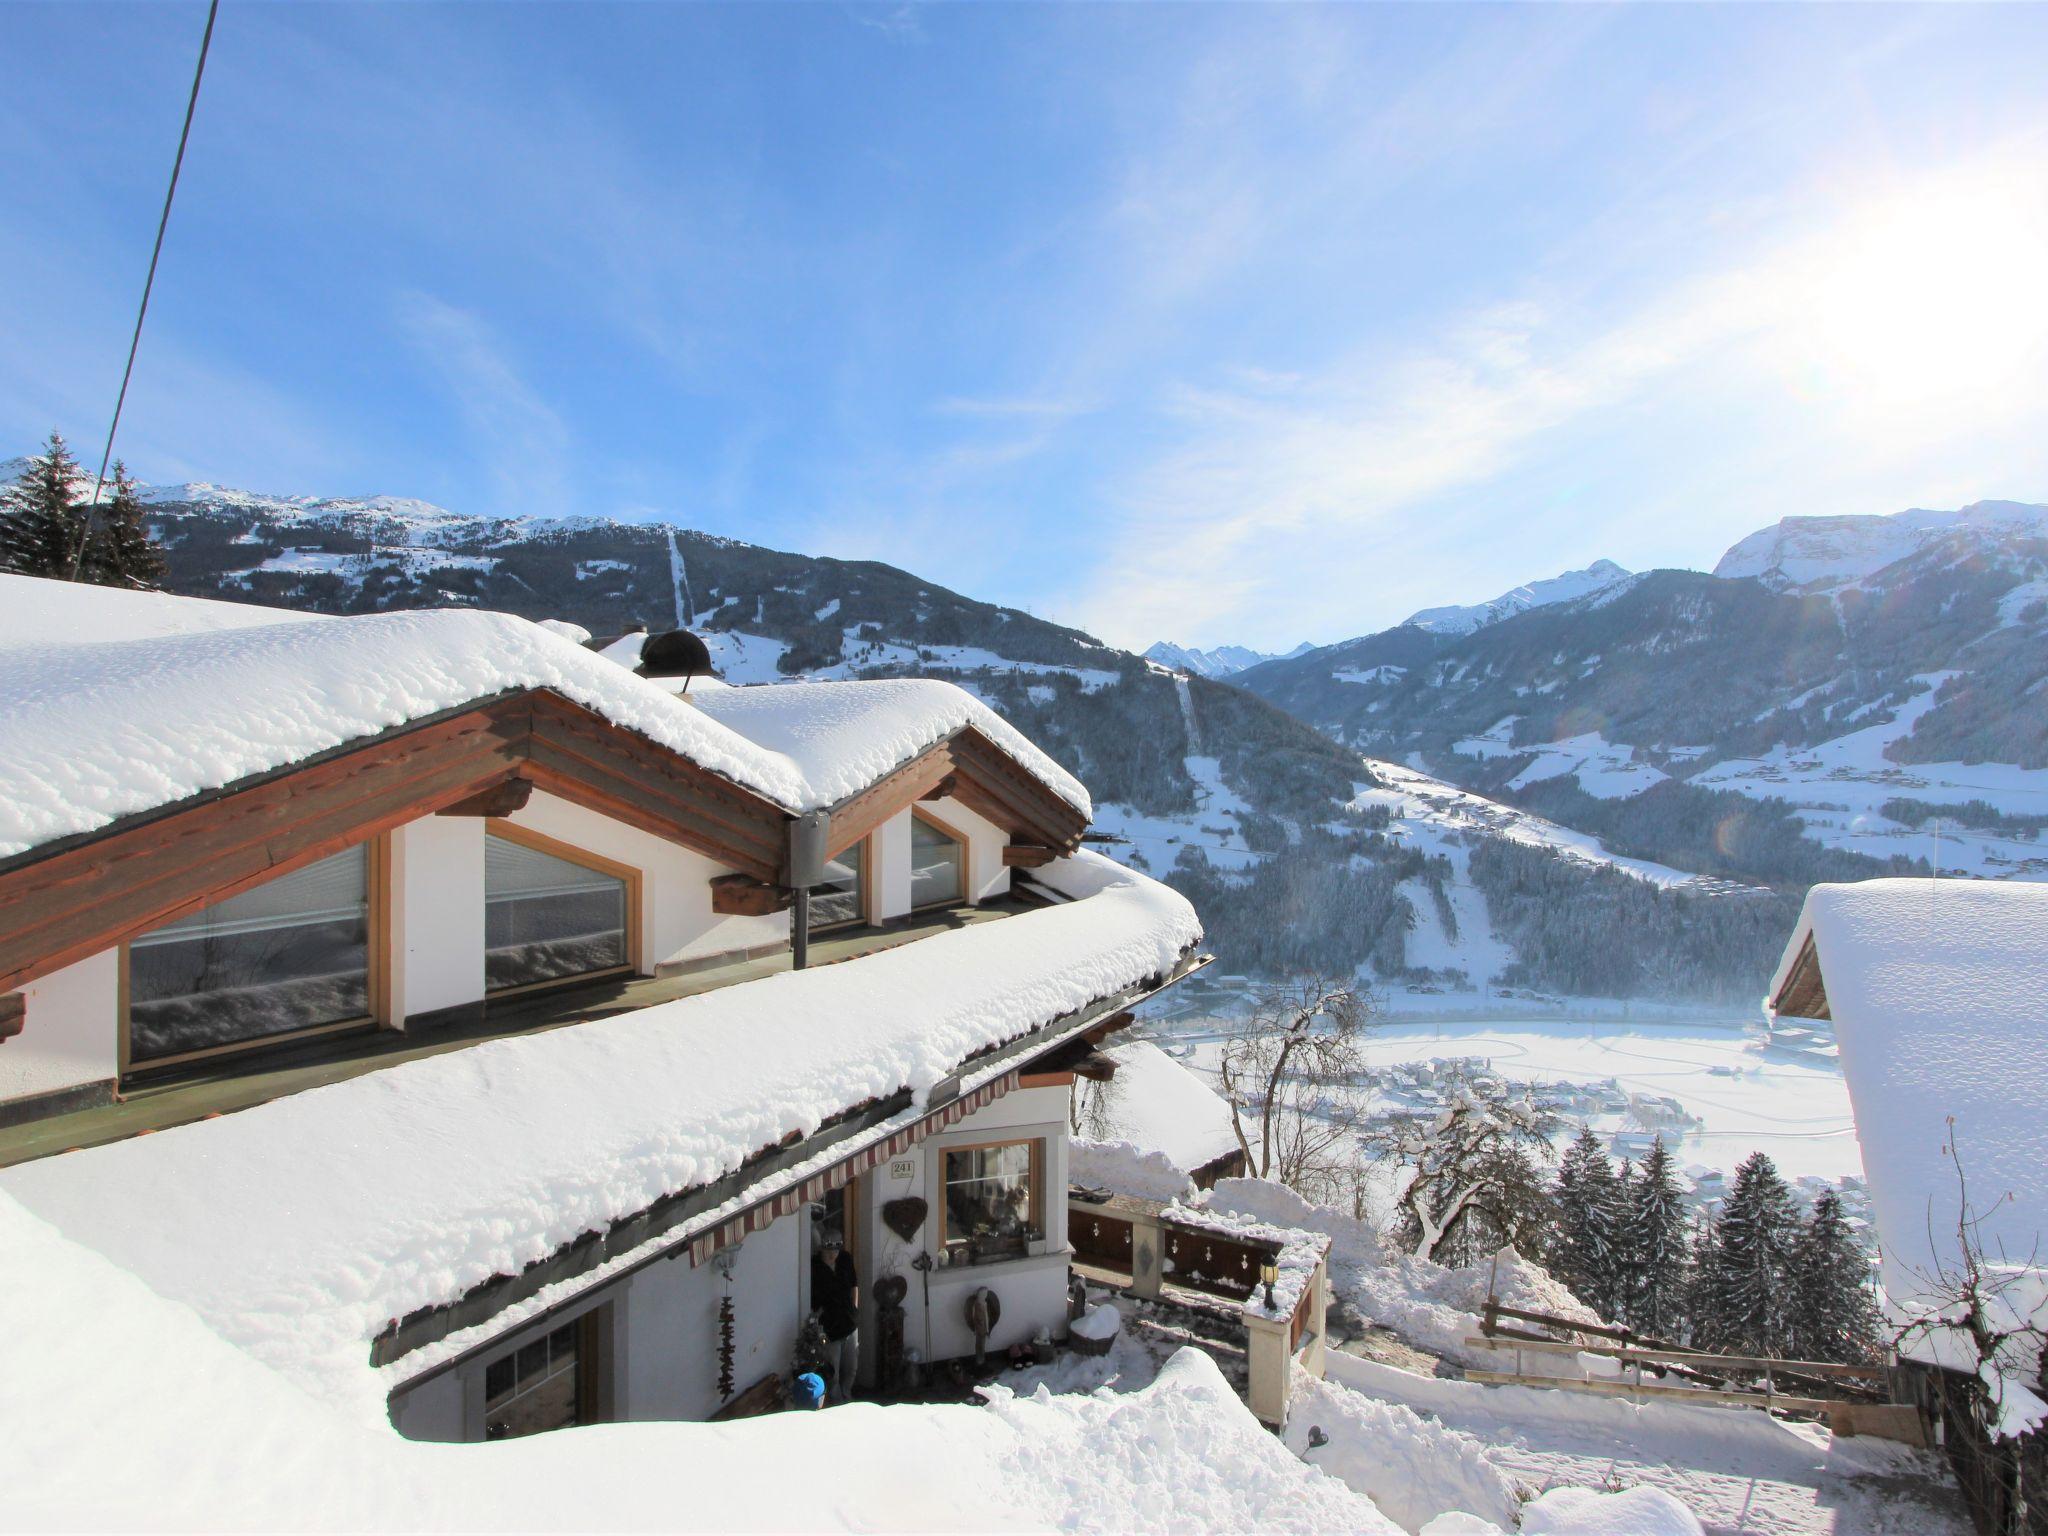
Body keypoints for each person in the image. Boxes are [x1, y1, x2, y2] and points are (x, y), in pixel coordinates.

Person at [810, 1225, 859, 1401]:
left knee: (851, 1367)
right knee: (833, 1371)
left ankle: (847, 1395)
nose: (832, 1254)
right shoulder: (814, 1267)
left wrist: (854, 1308)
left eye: (836, 1250)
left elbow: (854, 1284)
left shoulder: (845, 1260)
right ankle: (837, 1403)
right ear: (822, 1248)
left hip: (850, 1323)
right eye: (828, 1250)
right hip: (829, 1328)